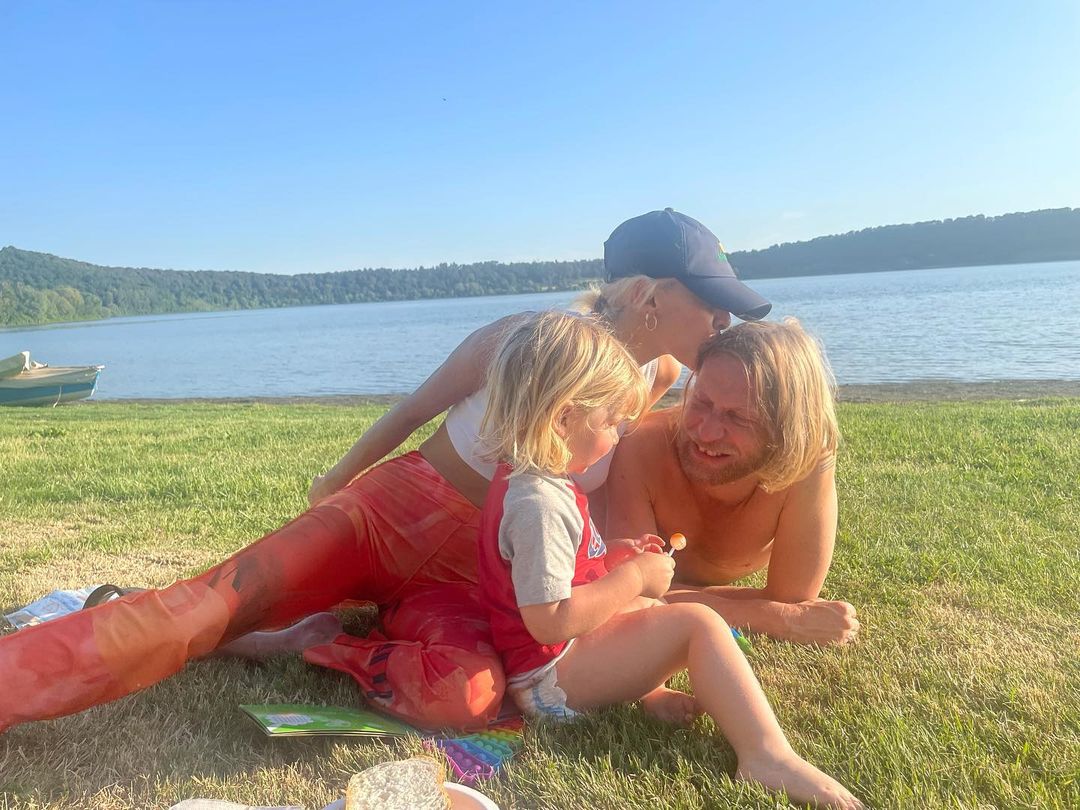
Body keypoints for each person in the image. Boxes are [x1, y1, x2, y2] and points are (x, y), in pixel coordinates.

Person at [0, 208, 771, 735]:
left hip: (474, 573)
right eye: (713, 302)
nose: (724, 320)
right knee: (207, 608)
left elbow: (578, 528)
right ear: (651, 296)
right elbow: (409, 414)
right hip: (387, 515)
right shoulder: (524, 338)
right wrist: (333, 487)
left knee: (469, 696)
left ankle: (313, 639)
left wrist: (638, 659)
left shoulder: (658, 375)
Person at [476, 311, 863, 809]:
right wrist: (634, 577)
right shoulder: (539, 504)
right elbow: (551, 619)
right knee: (695, 624)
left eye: (738, 417)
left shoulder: (539, 483)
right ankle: (766, 755)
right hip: (551, 676)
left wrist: (615, 560)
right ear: (564, 419)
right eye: (610, 422)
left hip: (553, 662)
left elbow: (562, 573)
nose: (617, 436)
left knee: (650, 609)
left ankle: (646, 693)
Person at [605, 318, 860, 646]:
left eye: (738, 417)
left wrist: (777, 607)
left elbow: (793, 596)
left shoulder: (806, 461)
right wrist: (772, 617)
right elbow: (630, 594)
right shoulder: (641, 446)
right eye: (701, 402)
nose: (706, 432)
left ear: (786, 428)